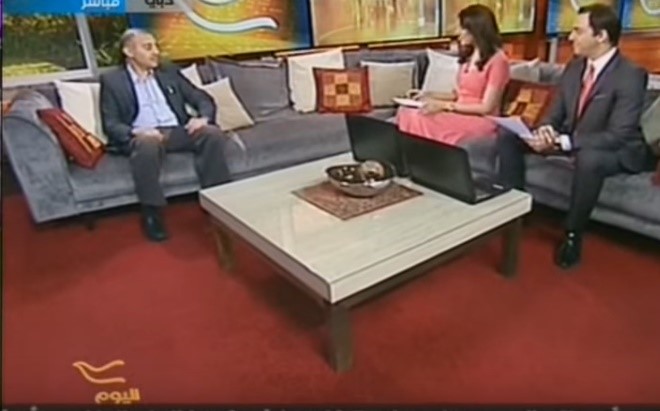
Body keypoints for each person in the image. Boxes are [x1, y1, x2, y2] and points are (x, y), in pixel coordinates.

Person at [496, 4, 653, 269]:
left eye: (578, 31)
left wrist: (564, 141)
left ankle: (572, 234)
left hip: (618, 149)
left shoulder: (630, 75)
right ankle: (515, 210)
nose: (570, 37)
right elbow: (555, 112)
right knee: (508, 135)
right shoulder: (574, 68)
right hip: (572, 139)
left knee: (590, 158)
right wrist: (545, 130)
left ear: (601, 36)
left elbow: (619, 134)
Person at [100, 28, 232, 243]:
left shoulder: (168, 72)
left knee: (212, 133)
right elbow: (111, 123)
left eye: (156, 46)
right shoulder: (113, 81)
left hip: (176, 130)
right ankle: (152, 212)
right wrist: (136, 131)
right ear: (128, 51)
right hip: (143, 134)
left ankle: (218, 201)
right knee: (147, 143)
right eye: (148, 47)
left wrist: (203, 118)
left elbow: (201, 98)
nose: (156, 52)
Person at [396, 4, 510, 146]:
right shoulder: (468, 56)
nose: (458, 33)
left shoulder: (498, 61)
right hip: (458, 112)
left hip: (481, 120)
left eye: (462, 28)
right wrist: (427, 95)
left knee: (418, 117)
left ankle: (424, 156)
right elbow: (458, 95)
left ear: (477, 30)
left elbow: (486, 107)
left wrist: (444, 106)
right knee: (406, 112)